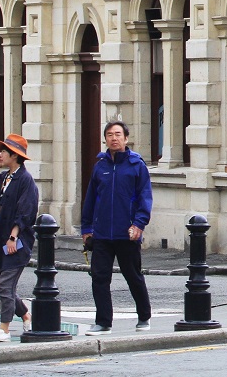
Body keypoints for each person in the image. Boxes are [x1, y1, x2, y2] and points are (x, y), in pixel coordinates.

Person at [80, 120, 153, 333]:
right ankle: (103, 321)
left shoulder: (136, 165)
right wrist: (86, 229)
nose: (114, 138)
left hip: (127, 233)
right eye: (110, 134)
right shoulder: (99, 166)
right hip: (102, 233)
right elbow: (91, 199)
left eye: (118, 134)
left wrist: (139, 224)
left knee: (133, 276)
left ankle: (144, 317)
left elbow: (145, 198)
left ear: (126, 138)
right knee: (99, 278)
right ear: (105, 139)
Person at [0, 134, 37, 343]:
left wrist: (13, 236)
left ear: (15, 155)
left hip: (15, 242)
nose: (0, 154)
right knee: (4, 285)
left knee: (4, 285)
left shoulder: (25, 180)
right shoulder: (3, 178)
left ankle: (4, 328)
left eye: (4, 151)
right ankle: (25, 314)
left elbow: (26, 211)